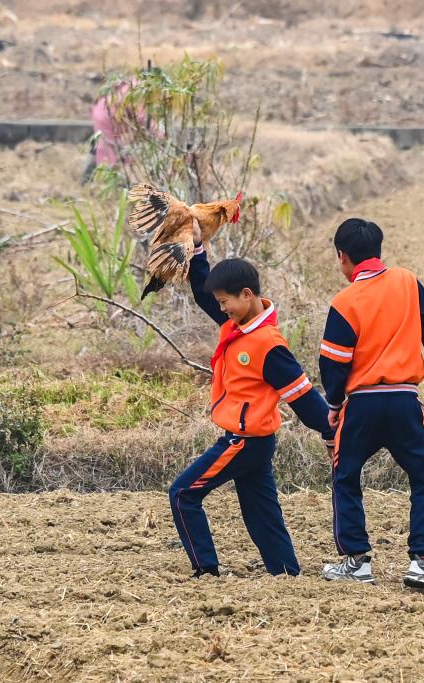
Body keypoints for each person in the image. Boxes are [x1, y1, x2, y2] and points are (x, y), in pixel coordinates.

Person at [169, 223, 334, 578]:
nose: (221, 310)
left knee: (183, 493)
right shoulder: (238, 325)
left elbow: (302, 396)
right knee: (262, 512)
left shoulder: (267, 344)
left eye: (225, 302)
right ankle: (287, 573)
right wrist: (198, 249)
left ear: (246, 295)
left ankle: (205, 571)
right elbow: (203, 292)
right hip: (255, 441)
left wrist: (332, 429)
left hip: (243, 441)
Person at [317, 218, 424, 593]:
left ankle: (355, 562)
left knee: (346, 476)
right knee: (422, 477)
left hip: (362, 404)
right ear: (379, 251)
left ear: (343, 257)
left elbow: (332, 362)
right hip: (405, 399)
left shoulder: (344, 301)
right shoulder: (408, 282)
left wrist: (334, 404)